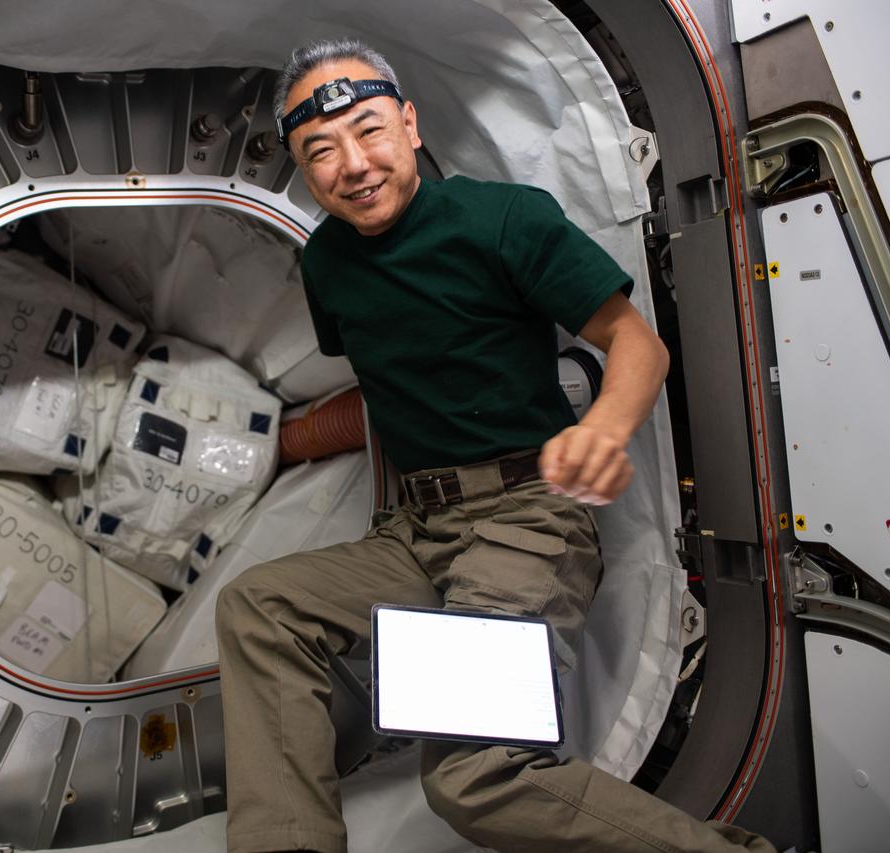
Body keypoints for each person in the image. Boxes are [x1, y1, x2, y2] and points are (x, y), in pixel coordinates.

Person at [214, 38, 776, 853]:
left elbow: (636, 345)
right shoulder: (328, 263)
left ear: (409, 124)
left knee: (475, 775)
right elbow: (388, 375)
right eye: (322, 151)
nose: (355, 164)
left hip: (524, 520)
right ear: (304, 174)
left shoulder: (502, 219)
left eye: (370, 130)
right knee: (259, 606)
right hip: (415, 533)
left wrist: (602, 431)